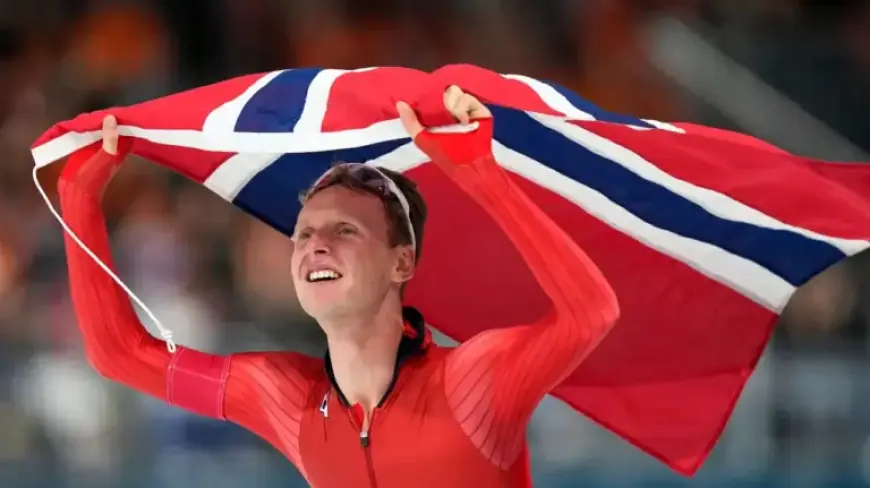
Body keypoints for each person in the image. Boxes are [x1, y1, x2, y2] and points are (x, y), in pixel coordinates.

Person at [58, 85, 620, 487]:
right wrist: (79, 200)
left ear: (402, 263)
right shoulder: (283, 399)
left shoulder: (474, 382)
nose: (314, 246)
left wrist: (482, 175)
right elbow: (119, 355)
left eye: (344, 230)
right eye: (303, 234)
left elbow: (589, 313)